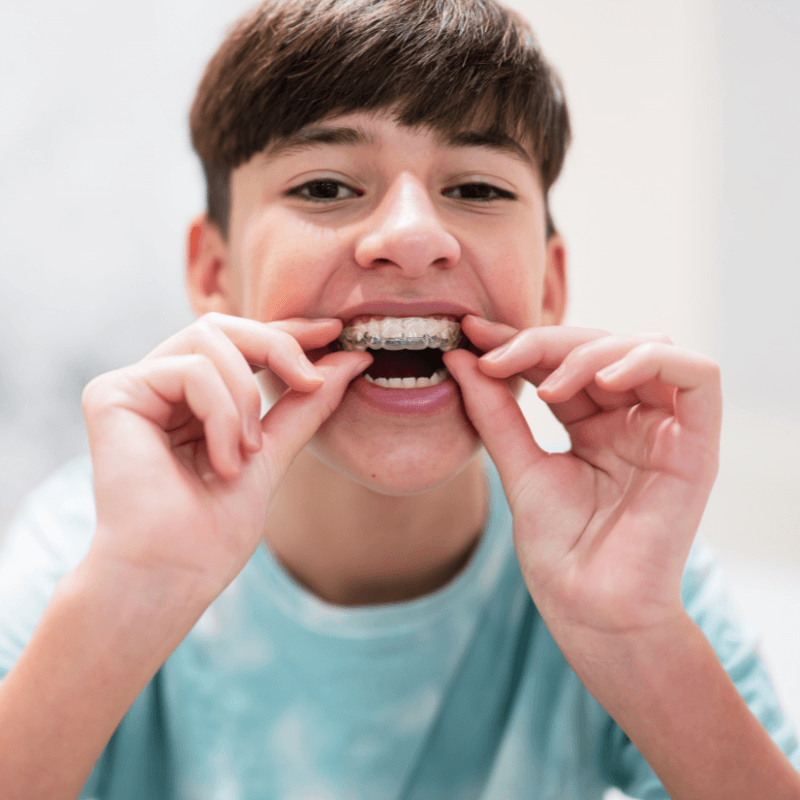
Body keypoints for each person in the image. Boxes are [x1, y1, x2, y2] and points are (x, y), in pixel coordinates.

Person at [1, 0, 799, 797]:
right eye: (324, 185)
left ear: (550, 285)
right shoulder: (90, 551)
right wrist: (132, 593)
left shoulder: (635, 566)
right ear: (215, 274)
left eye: (478, 188)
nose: (415, 235)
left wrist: (637, 636)